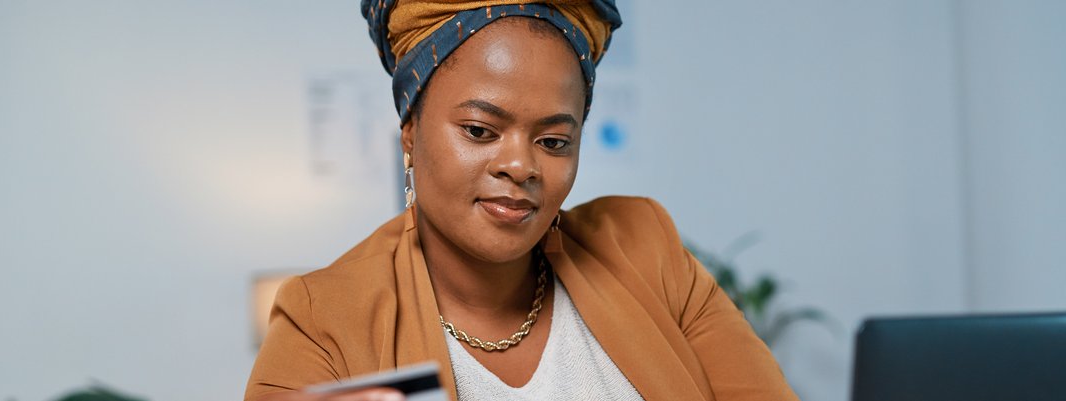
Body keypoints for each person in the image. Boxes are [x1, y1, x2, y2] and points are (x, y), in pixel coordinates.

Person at [244, 1, 799, 400]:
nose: (522, 166)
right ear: (410, 130)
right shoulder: (321, 322)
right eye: (481, 130)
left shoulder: (644, 248)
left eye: (554, 141)